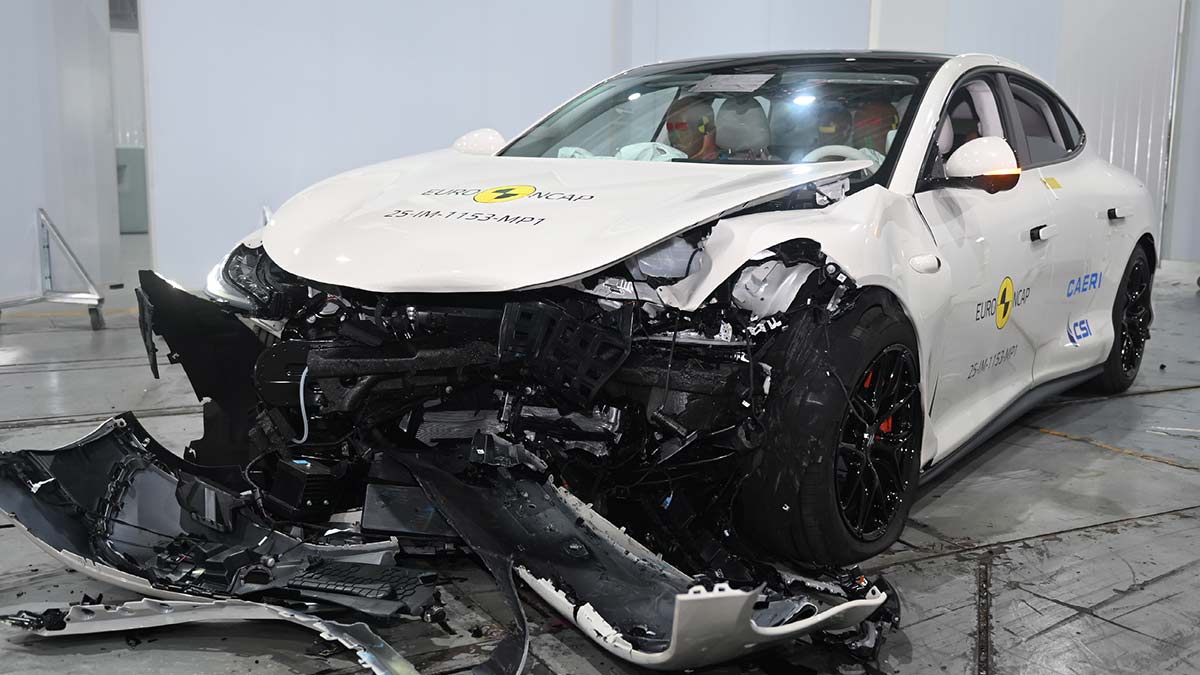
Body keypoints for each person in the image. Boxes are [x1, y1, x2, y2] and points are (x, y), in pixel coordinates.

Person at [665, 96, 718, 160]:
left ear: (706, 128)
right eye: (670, 129)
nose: (674, 137)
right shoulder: (661, 164)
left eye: (682, 128)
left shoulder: (725, 168)